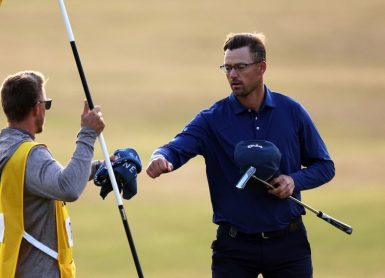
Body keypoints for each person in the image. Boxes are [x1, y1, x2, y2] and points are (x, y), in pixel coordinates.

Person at [146, 32, 335, 277]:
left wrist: (294, 180)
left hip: (288, 246)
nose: (232, 75)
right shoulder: (211, 119)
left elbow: (324, 166)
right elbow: (177, 146)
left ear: (262, 67)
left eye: (240, 67)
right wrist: (161, 157)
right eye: (227, 68)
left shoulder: (291, 112)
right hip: (234, 249)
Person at [0, 70, 105, 278]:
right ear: (37, 108)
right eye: (46, 104)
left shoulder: (6, 150)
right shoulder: (29, 156)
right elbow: (69, 187)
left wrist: (98, 168)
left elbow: (48, 182)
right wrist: (87, 134)